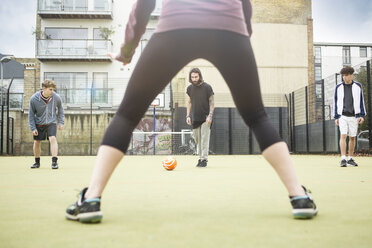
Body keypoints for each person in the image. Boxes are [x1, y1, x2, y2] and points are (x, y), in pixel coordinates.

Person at [65, 0, 317, 223]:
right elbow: (245, 5)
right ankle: (299, 196)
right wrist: (242, 39)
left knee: (126, 115)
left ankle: (91, 199)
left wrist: (127, 51)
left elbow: (145, 4)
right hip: (229, 32)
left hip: (176, 28)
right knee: (257, 116)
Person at [334, 66, 366, 167]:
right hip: (342, 115)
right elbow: (335, 102)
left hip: (354, 116)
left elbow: (361, 101)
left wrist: (361, 115)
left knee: (352, 138)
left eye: (346, 75)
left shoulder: (358, 86)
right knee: (343, 136)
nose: (344, 77)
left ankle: (350, 158)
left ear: (351, 75)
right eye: (343, 75)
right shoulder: (338, 87)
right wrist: (336, 117)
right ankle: (343, 158)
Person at [29, 80, 64, 169]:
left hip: (51, 122)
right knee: (37, 142)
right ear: (44, 88)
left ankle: (54, 162)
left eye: (53, 90)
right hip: (39, 123)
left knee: (53, 138)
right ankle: (37, 162)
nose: (52, 92)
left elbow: (60, 109)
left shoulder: (56, 97)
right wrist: (33, 128)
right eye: (50, 89)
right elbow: (31, 114)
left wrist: (61, 122)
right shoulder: (34, 99)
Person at [186, 68, 214, 167]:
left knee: (204, 139)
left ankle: (203, 159)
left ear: (200, 76)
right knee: (197, 139)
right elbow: (189, 103)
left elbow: (212, 103)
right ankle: (201, 157)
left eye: (196, 77)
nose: (194, 79)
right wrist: (188, 116)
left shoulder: (207, 87)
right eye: (192, 77)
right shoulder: (189, 89)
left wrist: (210, 116)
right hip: (195, 117)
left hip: (206, 118)